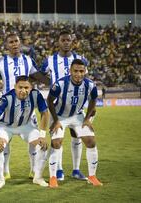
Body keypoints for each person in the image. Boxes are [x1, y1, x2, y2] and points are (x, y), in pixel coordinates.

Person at [0, 33, 45, 180]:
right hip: (7, 108)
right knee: (4, 141)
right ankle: (6, 171)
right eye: (11, 42)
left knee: (34, 140)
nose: (14, 44)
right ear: (7, 45)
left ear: (20, 44)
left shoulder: (28, 60)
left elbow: (37, 76)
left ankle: (34, 169)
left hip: (27, 108)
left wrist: (51, 80)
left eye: (16, 41)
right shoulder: (1, 62)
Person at [40, 30, 89, 181]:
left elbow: (85, 78)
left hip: (76, 107)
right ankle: (59, 170)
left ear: (72, 42)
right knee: (57, 138)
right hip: (57, 106)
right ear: (58, 42)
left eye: (69, 40)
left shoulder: (80, 59)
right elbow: (40, 74)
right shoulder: (50, 60)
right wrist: (53, 85)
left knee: (77, 136)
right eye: (63, 40)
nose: (66, 42)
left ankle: (76, 169)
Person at [47, 59, 102, 188]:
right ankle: (53, 177)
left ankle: (92, 176)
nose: (78, 74)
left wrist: (87, 119)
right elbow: (49, 101)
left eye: (81, 71)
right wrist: (55, 120)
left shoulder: (90, 85)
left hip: (77, 116)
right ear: (70, 71)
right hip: (59, 116)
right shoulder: (60, 84)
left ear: (85, 71)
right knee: (56, 142)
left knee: (91, 141)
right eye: (76, 71)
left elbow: (93, 100)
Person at [0, 76, 49, 188]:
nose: (23, 90)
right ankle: (0, 179)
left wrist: (42, 135)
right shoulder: (7, 98)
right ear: (15, 87)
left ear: (31, 87)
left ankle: (38, 177)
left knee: (43, 146)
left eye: (26, 87)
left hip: (26, 126)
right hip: (7, 126)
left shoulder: (36, 95)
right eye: (20, 87)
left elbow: (45, 113)